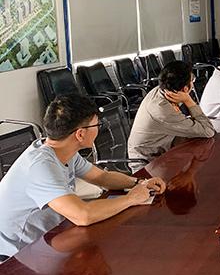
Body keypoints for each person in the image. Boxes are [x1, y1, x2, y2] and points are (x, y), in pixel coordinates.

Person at [0, 94, 166, 260]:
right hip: (18, 255)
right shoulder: (40, 166)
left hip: (51, 235)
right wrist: (131, 199)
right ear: (80, 134)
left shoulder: (63, 151)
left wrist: (139, 183)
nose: (99, 129)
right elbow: (83, 215)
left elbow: (102, 177)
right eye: (97, 125)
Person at [128, 60, 215, 168]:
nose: (193, 83)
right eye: (192, 79)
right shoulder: (162, 109)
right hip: (147, 163)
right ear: (185, 89)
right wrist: (188, 101)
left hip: (165, 151)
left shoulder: (162, 91)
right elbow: (208, 131)